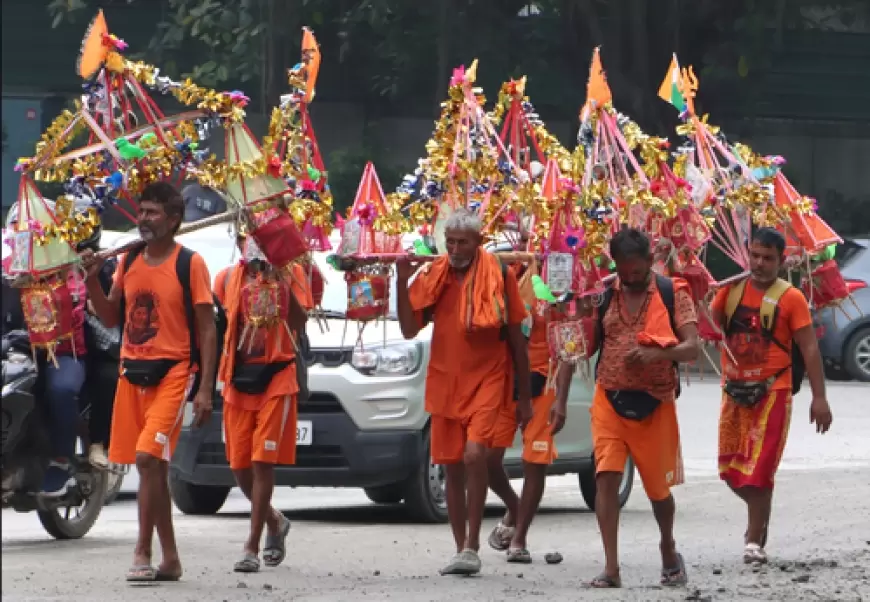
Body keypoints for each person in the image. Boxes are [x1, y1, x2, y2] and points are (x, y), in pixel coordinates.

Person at [83, 181, 217, 583]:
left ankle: (142, 550)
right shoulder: (128, 261)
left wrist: (206, 389)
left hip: (173, 375)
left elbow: (207, 330)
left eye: (152, 212)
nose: (143, 219)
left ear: (173, 220)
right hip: (131, 375)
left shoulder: (190, 264)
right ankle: (170, 559)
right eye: (141, 211)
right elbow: (110, 317)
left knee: (147, 460)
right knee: (151, 470)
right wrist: (92, 277)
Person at [396, 208, 532, 576]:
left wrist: (523, 398)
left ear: (479, 243)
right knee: (452, 467)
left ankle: (472, 544)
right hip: (445, 383)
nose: (454, 249)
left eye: (462, 242)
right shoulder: (435, 277)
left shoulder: (500, 275)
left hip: (489, 380)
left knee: (475, 456)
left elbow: (518, 341)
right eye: (450, 242)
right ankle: (460, 549)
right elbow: (409, 330)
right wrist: (401, 280)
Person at [710, 227, 832, 564]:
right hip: (733, 392)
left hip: (773, 391)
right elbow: (707, 326)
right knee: (729, 470)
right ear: (746, 254)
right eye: (755, 256)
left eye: (768, 258)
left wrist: (819, 398)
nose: (760, 263)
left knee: (760, 469)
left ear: (781, 261)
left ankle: (753, 539)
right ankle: (760, 512)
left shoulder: (790, 298)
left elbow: (809, 348)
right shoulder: (730, 291)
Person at [585, 227, 699, 589]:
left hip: (655, 402)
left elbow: (692, 348)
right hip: (609, 398)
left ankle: (667, 546)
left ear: (651, 261)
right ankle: (611, 567)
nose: (631, 279)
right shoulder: (602, 294)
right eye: (624, 271)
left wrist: (656, 353)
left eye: (637, 271)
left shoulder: (672, 293)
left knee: (658, 492)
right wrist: (567, 320)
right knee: (606, 478)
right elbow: (586, 346)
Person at [215, 233, 311, 573]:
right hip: (238, 381)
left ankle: (251, 545)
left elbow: (300, 322)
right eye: (248, 238)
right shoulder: (226, 278)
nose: (254, 245)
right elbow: (216, 326)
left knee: (261, 462)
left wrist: (281, 277)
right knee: (239, 466)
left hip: (277, 378)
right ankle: (274, 520)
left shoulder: (292, 274)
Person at [4, 204, 88, 497]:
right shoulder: (6, 268)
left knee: (61, 389)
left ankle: (62, 460)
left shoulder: (69, 268)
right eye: (20, 230)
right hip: (13, 352)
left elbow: (76, 308)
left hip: (61, 352)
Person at [487, 284, 572, 563]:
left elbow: (567, 347)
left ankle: (519, 537)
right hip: (503, 383)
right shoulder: (498, 279)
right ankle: (515, 506)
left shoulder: (555, 285)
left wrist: (561, 401)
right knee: (487, 458)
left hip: (542, 384)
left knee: (534, 462)